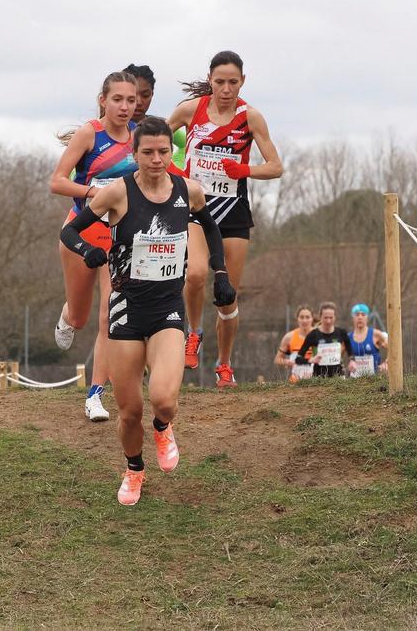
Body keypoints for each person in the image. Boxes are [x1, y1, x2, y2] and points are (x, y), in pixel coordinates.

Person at [60, 116, 236, 505]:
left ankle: (163, 428)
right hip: (126, 309)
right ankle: (134, 469)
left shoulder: (187, 190)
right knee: (128, 412)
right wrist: (88, 250)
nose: (156, 160)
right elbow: (69, 231)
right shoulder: (115, 194)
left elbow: (211, 229)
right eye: (148, 153)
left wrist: (220, 274)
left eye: (162, 152)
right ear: (135, 153)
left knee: (164, 400)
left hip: (166, 309)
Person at [167, 51, 283, 388]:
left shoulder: (251, 118)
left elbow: (275, 166)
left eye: (233, 82)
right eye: (220, 82)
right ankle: (194, 332)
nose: (226, 89)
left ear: (242, 81)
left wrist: (244, 169)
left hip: (233, 211)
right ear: (210, 80)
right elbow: (153, 139)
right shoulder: (191, 111)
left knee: (227, 294)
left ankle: (224, 364)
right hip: (194, 207)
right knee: (197, 274)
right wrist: (175, 172)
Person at [50, 71, 139, 421]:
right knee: (81, 315)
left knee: (109, 314)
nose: (124, 106)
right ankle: (67, 313)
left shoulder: (139, 137)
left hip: (118, 236)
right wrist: (93, 193)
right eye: (117, 99)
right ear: (103, 99)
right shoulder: (91, 134)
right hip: (81, 231)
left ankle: (95, 394)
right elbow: (56, 182)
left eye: (131, 101)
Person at [295, 302, 357, 378]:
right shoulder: (313, 335)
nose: (328, 321)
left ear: (335, 317)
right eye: (325, 317)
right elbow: (298, 359)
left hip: (338, 376)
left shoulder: (341, 333)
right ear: (320, 317)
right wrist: (311, 360)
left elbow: (350, 352)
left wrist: (352, 360)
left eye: (331, 318)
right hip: (319, 377)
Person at [274, 305, 315, 383]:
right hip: (296, 380)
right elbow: (277, 359)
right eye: (301, 317)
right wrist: (286, 362)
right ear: (297, 319)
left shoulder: (318, 335)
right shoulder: (289, 337)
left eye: (307, 317)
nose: (304, 320)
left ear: (312, 318)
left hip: (317, 379)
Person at [347, 303, 388, 377]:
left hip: (374, 381)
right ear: (353, 317)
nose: (360, 317)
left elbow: (393, 349)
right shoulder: (348, 338)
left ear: (367, 317)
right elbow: (337, 356)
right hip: (353, 383)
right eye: (357, 314)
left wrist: (386, 363)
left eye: (363, 314)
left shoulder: (375, 334)